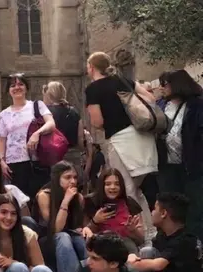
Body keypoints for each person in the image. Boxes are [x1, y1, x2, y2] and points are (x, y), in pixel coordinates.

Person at [85, 52, 157, 241]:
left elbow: (98, 121)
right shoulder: (122, 80)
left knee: (125, 189)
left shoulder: (93, 89)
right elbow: (150, 98)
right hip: (143, 138)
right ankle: (150, 234)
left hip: (121, 141)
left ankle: (139, 238)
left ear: (91, 67)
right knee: (139, 190)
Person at [129, 193, 203, 272]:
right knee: (148, 251)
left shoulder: (185, 240)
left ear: (163, 213)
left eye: (154, 209)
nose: (152, 212)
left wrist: (129, 264)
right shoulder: (162, 234)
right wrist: (134, 232)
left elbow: (158, 265)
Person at [156, 70, 203, 240]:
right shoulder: (161, 105)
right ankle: (171, 243)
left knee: (194, 208)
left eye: (166, 84)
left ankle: (195, 245)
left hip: (192, 166)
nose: (163, 88)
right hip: (167, 166)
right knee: (168, 208)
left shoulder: (196, 105)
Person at [0, 73, 57, 198]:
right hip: (14, 164)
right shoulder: (4, 114)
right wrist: (2, 160)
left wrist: (37, 134)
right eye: (12, 85)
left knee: (41, 197)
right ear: (8, 91)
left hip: (36, 161)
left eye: (20, 84)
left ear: (26, 88)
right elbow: (2, 139)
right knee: (18, 200)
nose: (17, 87)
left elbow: (51, 123)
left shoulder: (37, 105)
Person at [36, 161, 86, 272]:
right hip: (47, 241)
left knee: (82, 240)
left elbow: (77, 226)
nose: (73, 181)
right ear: (57, 178)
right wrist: (66, 201)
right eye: (67, 177)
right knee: (63, 236)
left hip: (69, 238)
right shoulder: (44, 195)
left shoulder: (79, 198)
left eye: (75, 178)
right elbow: (55, 229)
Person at [83, 169, 145, 254]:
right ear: (102, 185)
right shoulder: (91, 202)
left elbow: (141, 240)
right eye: (108, 184)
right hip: (100, 246)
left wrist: (133, 230)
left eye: (117, 184)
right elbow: (84, 233)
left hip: (125, 246)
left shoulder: (130, 203)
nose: (113, 187)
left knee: (127, 244)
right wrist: (95, 221)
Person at [44, 81, 84, 171]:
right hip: (73, 155)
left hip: (52, 155)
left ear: (49, 94)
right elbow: (80, 138)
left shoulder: (45, 112)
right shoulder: (74, 111)